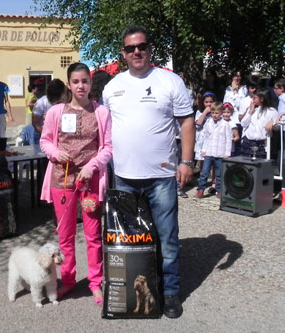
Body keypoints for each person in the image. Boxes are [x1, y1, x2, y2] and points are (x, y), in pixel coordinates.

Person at [102, 25, 195, 319]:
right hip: (124, 178)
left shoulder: (170, 81)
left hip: (162, 177)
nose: (136, 52)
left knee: (167, 239)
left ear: (150, 48)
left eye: (141, 46)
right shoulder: (111, 87)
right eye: (130, 48)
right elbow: (104, 130)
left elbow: (187, 122)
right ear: (123, 53)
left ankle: (169, 293)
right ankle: (133, 292)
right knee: (130, 240)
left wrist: (187, 161)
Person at [40, 62, 112, 306]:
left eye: (85, 81)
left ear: (91, 83)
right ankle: (68, 280)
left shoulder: (101, 112)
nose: (81, 86)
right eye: (76, 81)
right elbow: (45, 141)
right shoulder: (55, 112)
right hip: (62, 180)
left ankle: (95, 282)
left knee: (93, 236)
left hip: (90, 182)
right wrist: (55, 153)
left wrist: (92, 167)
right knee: (66, 237)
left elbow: (108, 147)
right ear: (69, 84)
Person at [195, 102, 231, 198]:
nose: (214, 115)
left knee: (218, 174)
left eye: (217, 113)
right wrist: (204, 150)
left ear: (221, 113)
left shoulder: (225, 124)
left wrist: (227, 153)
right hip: (209, 152)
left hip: (220, 153)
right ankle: (200, 189)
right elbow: (206, 137)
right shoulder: (208, 122)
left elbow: (228, 140)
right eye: (213, 113)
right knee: (205, 172)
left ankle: (219, 190)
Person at [240, 87, 278, 159]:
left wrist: (272, 123)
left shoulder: (272, 111)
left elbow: (278, 127)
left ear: (262, 99)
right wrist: (250, 112)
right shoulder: (253, 110)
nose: (252, 100)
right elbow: (243, 124)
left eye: (255, 98)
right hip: (249, 142)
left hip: (263, 144)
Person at [31, 79, 66, 144]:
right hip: (41, 136)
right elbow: (35, 123)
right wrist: (47, 135)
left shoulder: (64, 102)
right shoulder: (41, 103)